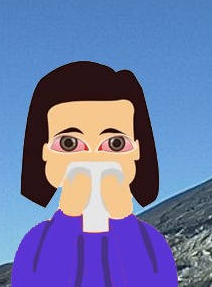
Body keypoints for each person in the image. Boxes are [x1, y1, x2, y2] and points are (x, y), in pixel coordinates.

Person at [12, 61, 178, 285]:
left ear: (139, 152)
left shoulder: (150, 243)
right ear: (43, 154)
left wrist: (124, 226)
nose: (93, 158)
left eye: (116, 143)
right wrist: (67, 222)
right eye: (69, 143)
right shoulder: (37, 243)